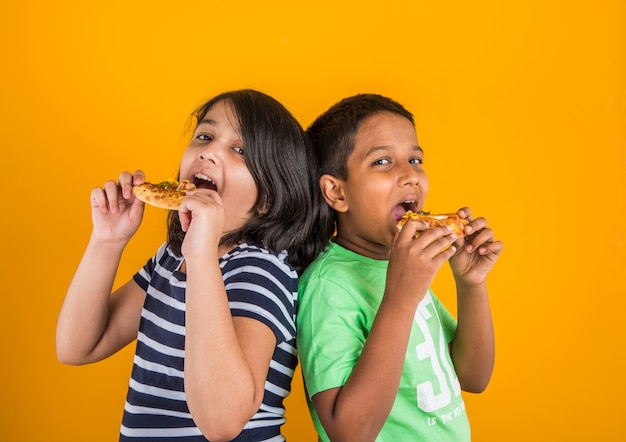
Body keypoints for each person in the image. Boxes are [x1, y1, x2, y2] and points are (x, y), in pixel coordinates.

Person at [56, 89, 332, 441]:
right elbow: (78, 347)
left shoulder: (261, 270)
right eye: (205, 136)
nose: (209, 151)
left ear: (269, 197)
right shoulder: (172, 258)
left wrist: (201, 255)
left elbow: (222, 422)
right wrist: (107, 242)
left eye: (240, 150)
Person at [296, 93, 504, 441]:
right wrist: (401, 298)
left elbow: (473, 377)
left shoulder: (402, 266)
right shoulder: (328, 285)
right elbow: (349, 433)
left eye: (415, 159)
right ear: (336, 192)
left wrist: (471, 283)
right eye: (382, 162)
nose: (410, 175)